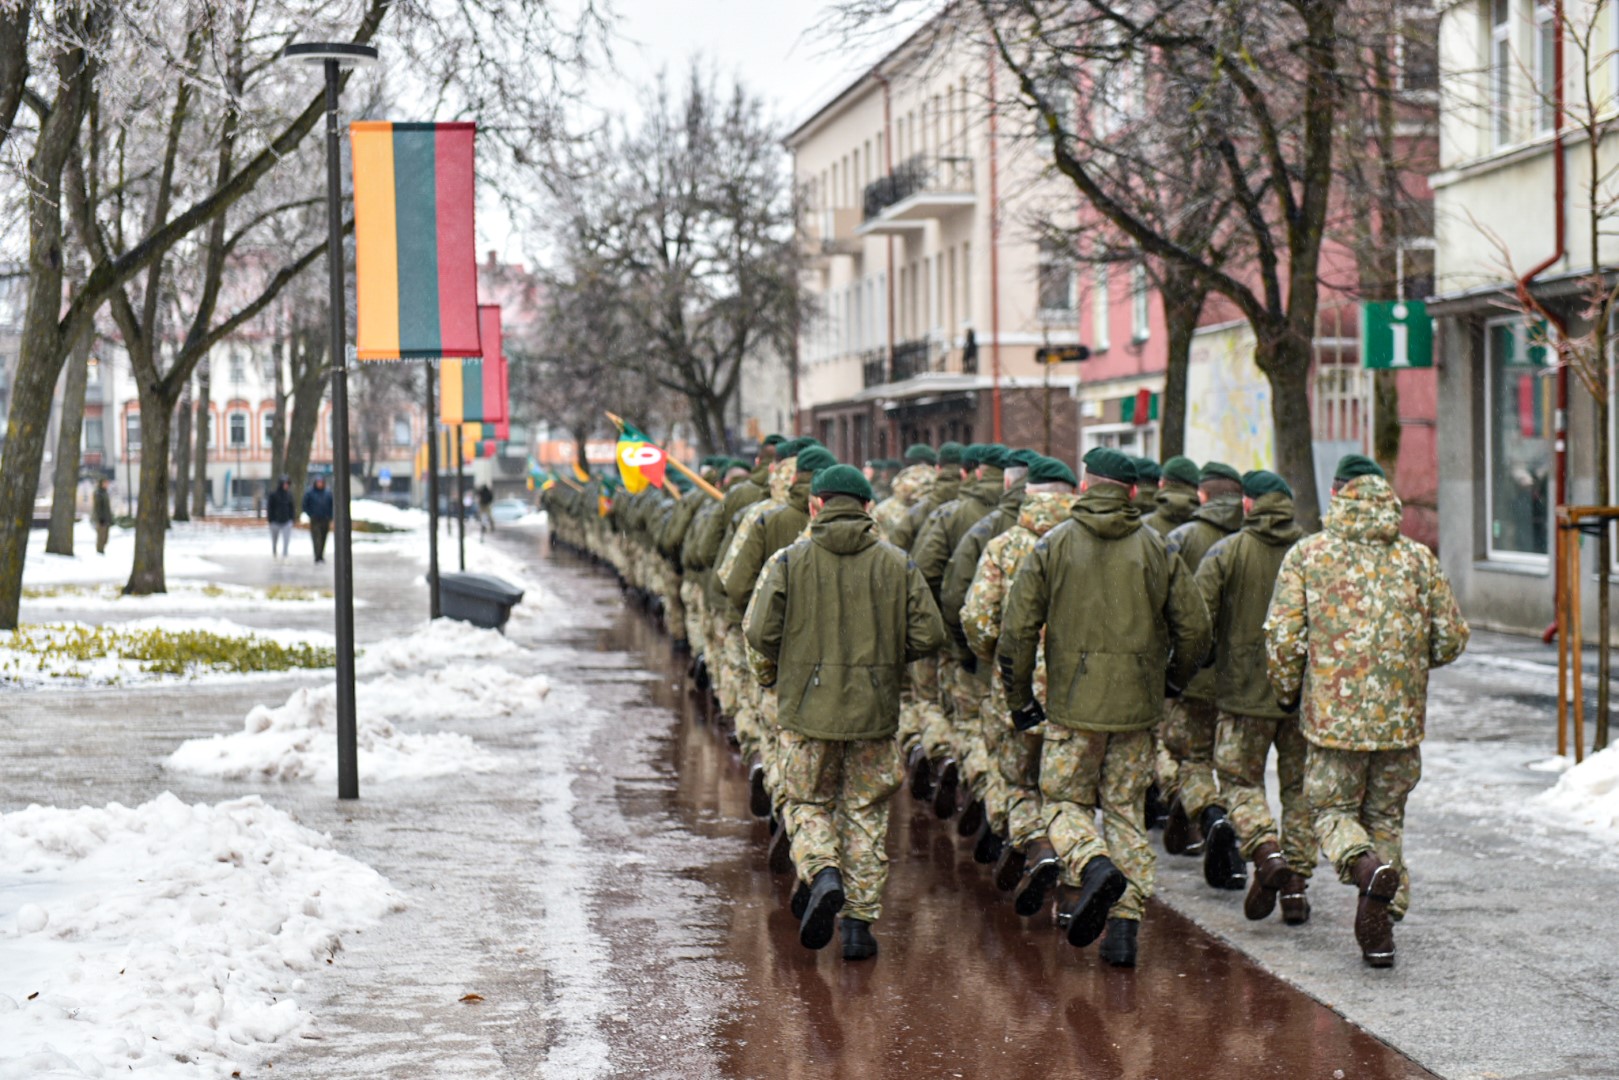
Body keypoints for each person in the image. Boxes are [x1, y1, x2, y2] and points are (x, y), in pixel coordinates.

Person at [997, 447, 1210, 967]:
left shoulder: (1052, 545)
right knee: (1125, 812)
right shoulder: (1157, 547)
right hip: (1137, 710)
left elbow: (1016, 631)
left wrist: (1020, 699)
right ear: (1133, 492)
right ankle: (1123, 932)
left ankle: (1091, 863)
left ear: (1085, 487)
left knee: (1062, 804)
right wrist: (1171, 682)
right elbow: (1196, 629)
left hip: (1072, 708)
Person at [1265, 454, 1468, 968]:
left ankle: (1364, 868)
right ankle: (1382, 929)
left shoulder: (1309, 555)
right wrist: (1406, 667)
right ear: (1385, 497)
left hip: (1332, 721)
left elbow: (1284, 640)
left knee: (1330, 810)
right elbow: (1450, 638)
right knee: (1386, 815)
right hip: (1401, 722)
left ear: (1336, 495)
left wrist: (1288, 693)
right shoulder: (1417, 559)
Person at [745, 463, 946, 961]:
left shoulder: (788, 561)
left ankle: (823, 872)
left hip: (806, 711)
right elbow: (929, 634)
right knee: (865, 811)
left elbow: (759, 632)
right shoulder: (896, 563)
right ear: (868, 507)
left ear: (815, 505)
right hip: (873, 712)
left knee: (808, 802)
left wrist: (782, 673)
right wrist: (884, 659)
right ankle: (858, 926)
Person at [1195, 470, 1313, 923]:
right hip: (1300, 695)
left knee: (1239, 781)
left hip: (1242, 694)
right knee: (1299, 790)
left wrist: (1205, 661)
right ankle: (1296, 887)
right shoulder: (1311, 552)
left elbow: (1198, 619)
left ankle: (1265, 852)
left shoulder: (1227, 552)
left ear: (1247, 503)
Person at [959, 455, 1076, 906]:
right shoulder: (1086, 546)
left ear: (1027, 493)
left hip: (1018, 688)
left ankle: (1036, 843)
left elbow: (978, 619)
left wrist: (994, 658)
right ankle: (1072, 891)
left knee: (1015, 780)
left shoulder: (1005, 546)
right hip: (1079, 692)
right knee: (1069, 795)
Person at [1161, 461, 1245, 864]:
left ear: (1202, 494)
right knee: (1237, 771)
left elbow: (1163, 607)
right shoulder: (1253, 539)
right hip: (1245, 681)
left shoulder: (1182, 539)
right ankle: (1234, 848)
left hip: (1193, 676)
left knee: (1191, 761)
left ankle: (1211, 816)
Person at [302, 476, 334, 564]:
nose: (320, 484)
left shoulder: (327, 493)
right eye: (318, 482)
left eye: (321, 482)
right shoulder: (310, 493)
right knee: (316, 537)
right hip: (315, 519)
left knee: (323, 537)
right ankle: (317, 555)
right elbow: (305, 504)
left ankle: (321, 555)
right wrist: (310, 514)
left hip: (325, 518)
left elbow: (332, 505)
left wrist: (330, 516)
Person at [267, 477, 295, 559]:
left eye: (287, 484)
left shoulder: (289, 495)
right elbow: (270, 507)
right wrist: (271, 519)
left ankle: (285, 554)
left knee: (286, 539)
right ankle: (274, 550)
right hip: (275, 521)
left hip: (286, 521)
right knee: (275, 539)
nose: (286, 486)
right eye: (285, 484)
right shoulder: (273, 495)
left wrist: (291, 518)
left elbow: (292, 507)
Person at [92, 477, 114, 554]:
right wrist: (100, 518)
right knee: (101, 536)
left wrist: (110, 518)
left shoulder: (105, 493)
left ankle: (101, 550)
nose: (106, 484)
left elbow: (107, 508)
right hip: (101, 519)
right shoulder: (98, 493)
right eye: (105, 483)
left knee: (105, 538)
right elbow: (97, 507)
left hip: (106, 518)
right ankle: (99, 551)